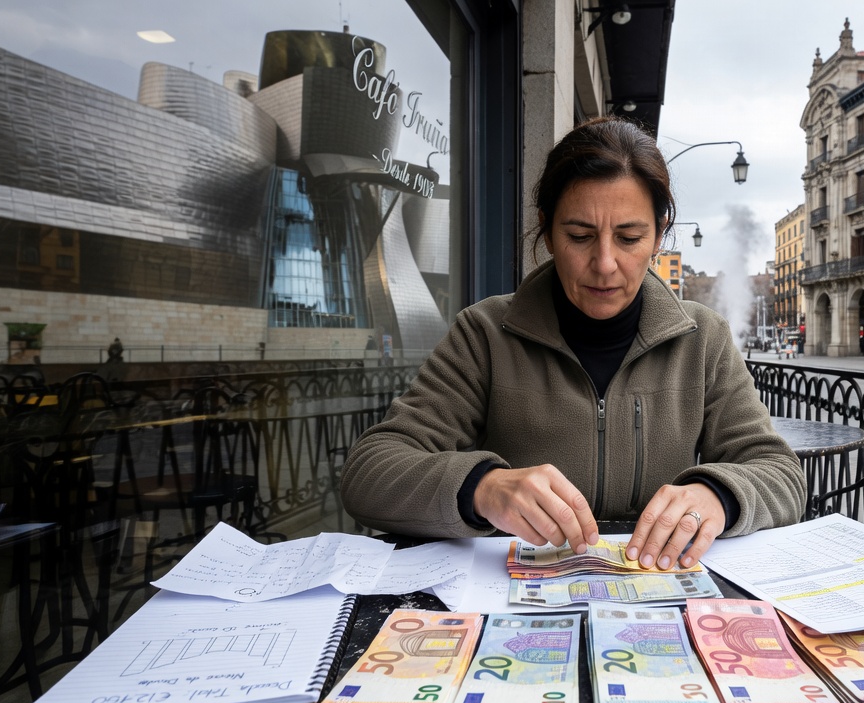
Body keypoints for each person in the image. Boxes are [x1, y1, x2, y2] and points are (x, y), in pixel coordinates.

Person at [339, 117, 803, 572]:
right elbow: (370, 473)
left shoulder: (704, 339)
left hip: (659, 595)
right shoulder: (484, 334)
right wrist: (482, 488)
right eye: (579, 236)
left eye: (629, 238)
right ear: (547, 229)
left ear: (659, 236)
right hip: (511, 594)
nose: (605, 264)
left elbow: (780, 473)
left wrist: (718, 496)